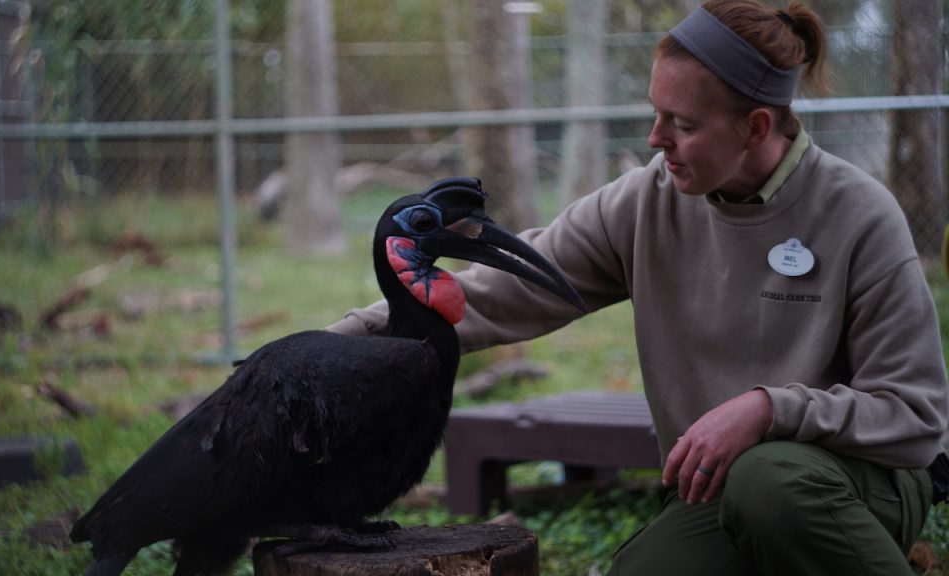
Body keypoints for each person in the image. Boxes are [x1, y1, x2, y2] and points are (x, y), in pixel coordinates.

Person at [327, 1, 949, 573]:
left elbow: (915, 416)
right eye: (656, 114)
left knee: (772, 481)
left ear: (756, 128)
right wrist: (323, 351)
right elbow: (494, 292)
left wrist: (767, 408)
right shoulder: (646, 203)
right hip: (722, 488)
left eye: (681, 123)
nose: (656, 140)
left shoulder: (859, 214)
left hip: (862, 481)